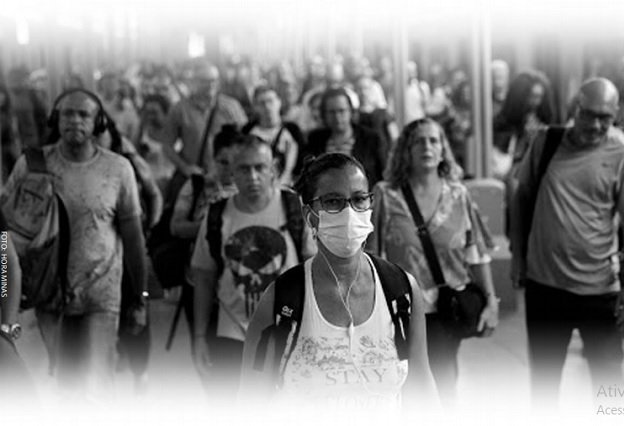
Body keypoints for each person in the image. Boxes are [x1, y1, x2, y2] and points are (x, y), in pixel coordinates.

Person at [239, 153, 438, 412]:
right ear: (310, 215)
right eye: (333, 201)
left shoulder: (401, 292)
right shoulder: (282, 300)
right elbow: (249, 401)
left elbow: (423, 388)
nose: (349, 212)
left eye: (359, 199)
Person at [2, 88, 148, 401]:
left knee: (96, 386)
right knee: (61, 385)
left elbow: (134, 238)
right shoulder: (32, 164)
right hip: (47, 293)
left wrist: (140, 297)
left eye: (84, 114)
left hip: (101, 294)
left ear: (99, 123)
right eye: (68, 113)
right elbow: (5, 236)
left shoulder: (117, 169)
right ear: (55, 119)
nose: (75, 120)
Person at [367, 118, 499, 407]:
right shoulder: (386, 195)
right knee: (407, 386)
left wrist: (491, 301)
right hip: (400, 310)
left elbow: (476, 253)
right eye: (419, 141)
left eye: (433, 140)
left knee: (443, 383)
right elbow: (372, 255)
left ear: (443, 149)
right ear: (406, 150)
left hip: (447, 309)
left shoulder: (458, 194)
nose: (427, 147)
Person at [510, 78, 624, 411]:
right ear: (576, 108)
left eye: (605, 117)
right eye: (589, 114)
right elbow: (521, 198)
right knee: (544, 381)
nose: (596, 125)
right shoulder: (547, 141)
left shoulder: (620, 152)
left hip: (600, 288)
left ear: (616, 114)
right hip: (545, 284)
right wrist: (517, 258)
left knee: (609, 383)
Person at [191, 134, 314, 400]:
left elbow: (316, 273)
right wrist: (199, 337)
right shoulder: (217, 216)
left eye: (260, 167)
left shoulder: (295, 209)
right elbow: (204, 278)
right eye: (244, 169)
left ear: (273, 170)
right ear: (232, 173)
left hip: (288, 331)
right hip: (231, 332)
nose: (253, 177)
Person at [169, 124, 239, 335]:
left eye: (236, 163)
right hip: (197, 279)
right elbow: (176, 226)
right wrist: (213, 226)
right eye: (223, 162)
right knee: (202, 340)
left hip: (236, 286)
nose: (230, 170)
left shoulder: (249, 192)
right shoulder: (197, 185)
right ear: (213, 159)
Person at [158, 61, 247, 206]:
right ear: (194, 82)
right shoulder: (180, 109)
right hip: (194, 178)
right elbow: (167, 146)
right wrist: (185, 168)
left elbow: (246, 141)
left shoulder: (231, 106)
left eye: (214, 80)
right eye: (204, 80)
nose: (210, 85)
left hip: (225, 179)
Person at [305, 87, 386, 186]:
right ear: (324, 114)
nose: (337, 117)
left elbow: (384, 175)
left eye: (342, 111)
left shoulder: (371, 139)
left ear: (351, 111)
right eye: (332, 112)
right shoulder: (315, 139)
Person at [242, 85, 305, 186]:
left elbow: (303, 162)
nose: (267, 107)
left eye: (270, 101)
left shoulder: (292, 130)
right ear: (255, 107)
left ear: (279, 102)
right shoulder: (248, 132)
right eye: (262, 103)